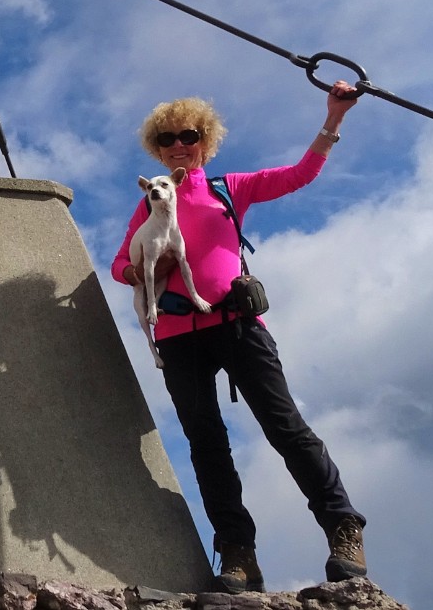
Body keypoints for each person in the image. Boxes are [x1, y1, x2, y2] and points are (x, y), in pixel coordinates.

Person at [111, 82, 367, 594]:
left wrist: (333, 118)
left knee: (284, 426)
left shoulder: (230, 188)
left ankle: (344, 529)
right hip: (180, 338)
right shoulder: (150, 204)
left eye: (187, 135)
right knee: (206, 447)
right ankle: (237, 554)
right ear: (157, 150)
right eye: (167, 139)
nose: (177, 144)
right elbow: (121, 265)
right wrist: (141, 273)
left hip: (239, 327)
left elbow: (299, 175)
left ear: (203, 142)